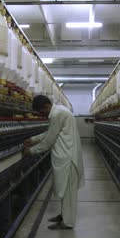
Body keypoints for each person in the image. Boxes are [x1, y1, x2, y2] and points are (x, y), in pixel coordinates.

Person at [23, 95, 85, 230]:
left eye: (41, 112)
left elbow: (49, 140)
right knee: (65, 189)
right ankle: (64, 215)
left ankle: (68, 222)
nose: (42, 115)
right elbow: (51, 132)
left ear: (46, 106)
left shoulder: (57, 114)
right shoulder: (59, 111)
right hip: (67, 155)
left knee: (68, 192)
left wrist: (31, 151)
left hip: (68, 158)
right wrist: (33, 139)